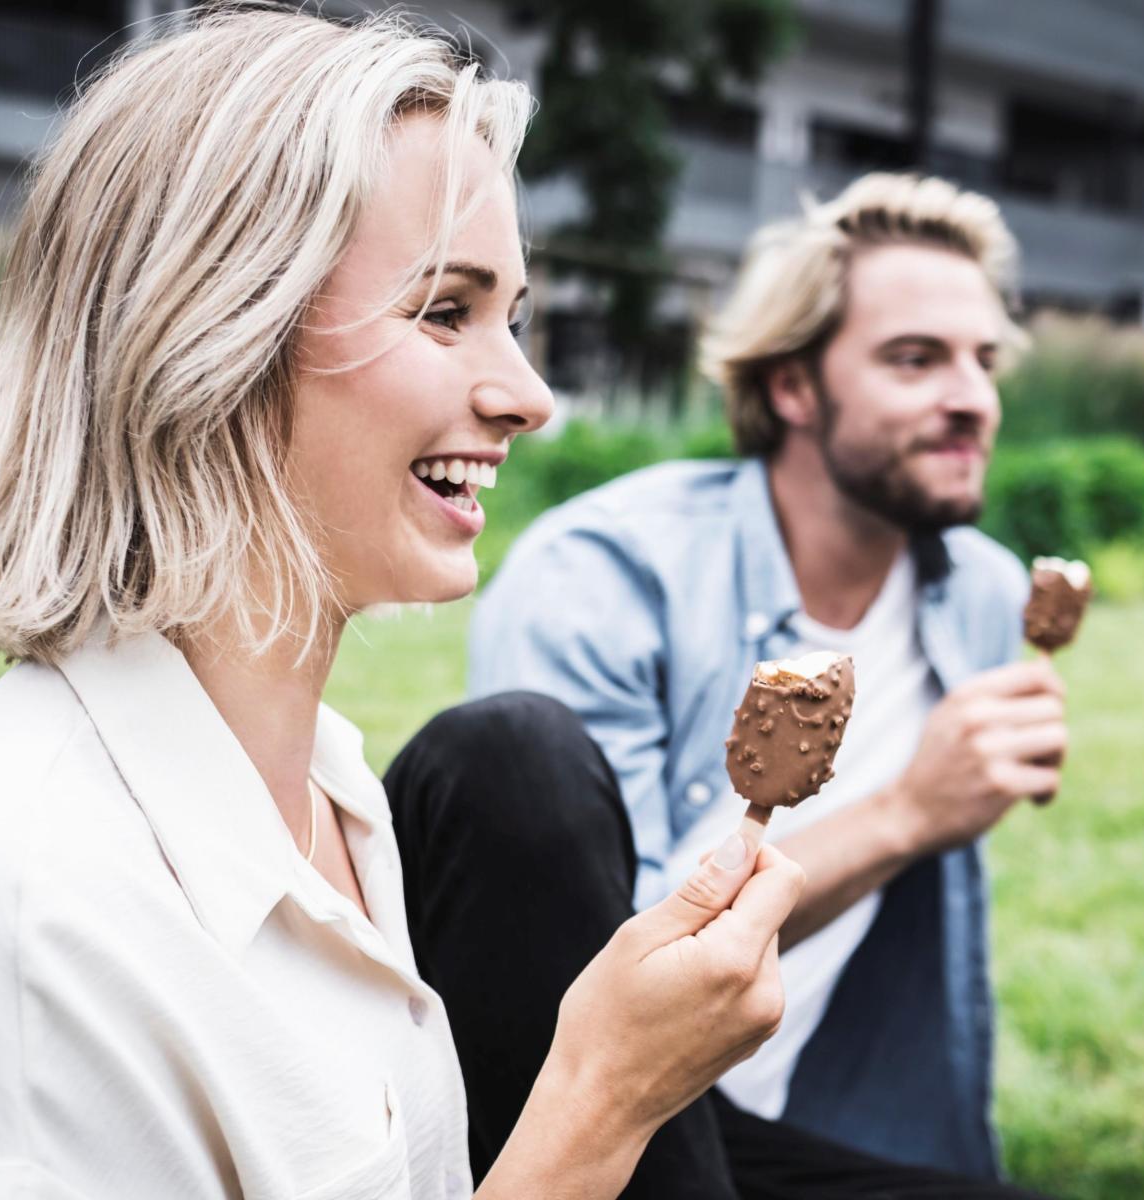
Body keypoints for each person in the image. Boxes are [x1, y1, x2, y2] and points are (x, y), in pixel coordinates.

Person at [0, 9, 809, 1198]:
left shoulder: (338, 797)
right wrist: (600, 1102)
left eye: (511, 317)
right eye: (445, 310)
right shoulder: (22, 909)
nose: (529, 397)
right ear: (210, 335)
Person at [387, 173, 1065, 1196]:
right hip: (589, 1106)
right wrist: (909, 813)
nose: (974, 397)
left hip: (798, 1119)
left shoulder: (984, 590)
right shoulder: (608, 570)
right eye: (916, 359)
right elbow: (585, 959)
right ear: (793, 387)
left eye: (984, 360)